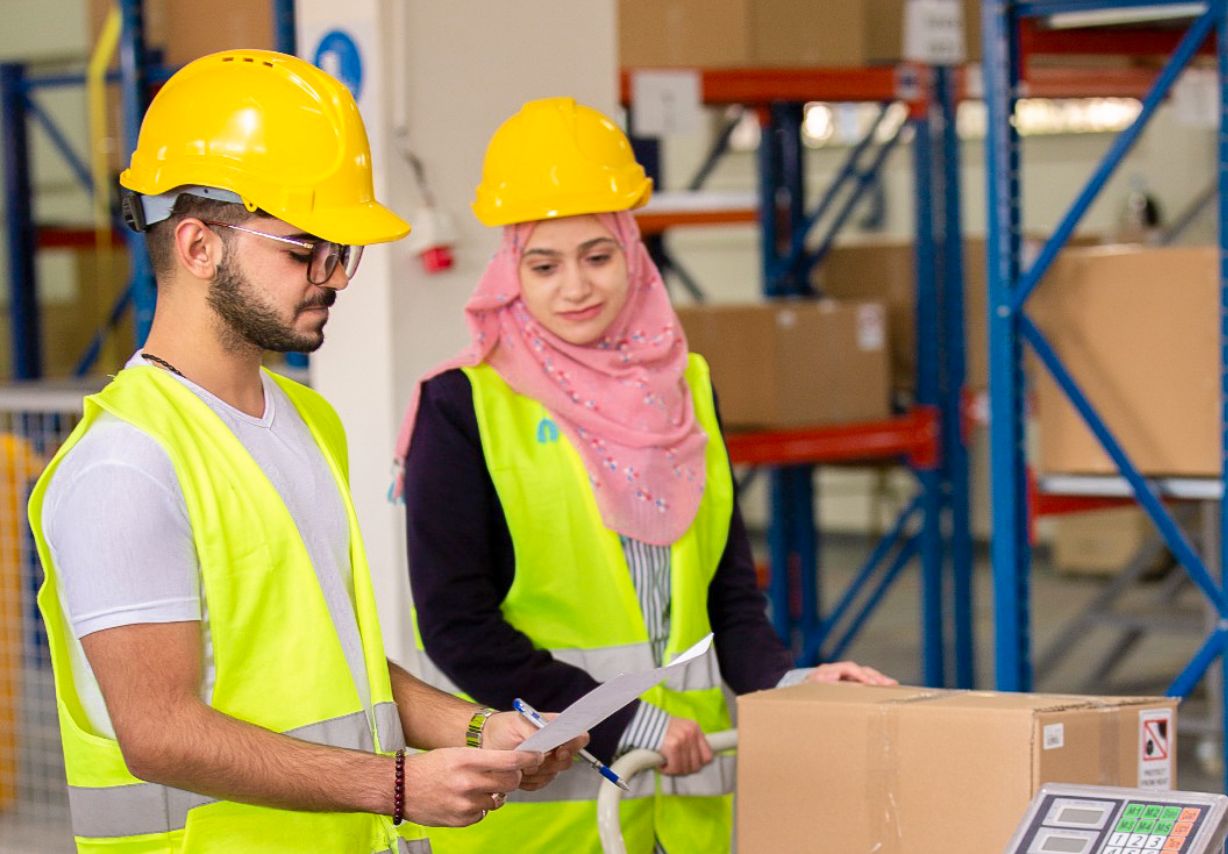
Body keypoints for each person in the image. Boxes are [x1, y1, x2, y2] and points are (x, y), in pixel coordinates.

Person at [28, 52, 584, 854]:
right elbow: (159, 733)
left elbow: (339, 667)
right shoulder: (126, 465)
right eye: (304, 250)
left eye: (341, 252)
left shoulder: (307, 419)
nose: (335, 278)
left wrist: (476, 726)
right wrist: (396, 784)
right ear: (196, 245)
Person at [393, 96, 896, 854]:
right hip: (546, 813)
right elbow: (458, 629)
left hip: (687, 808)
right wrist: (632, 722)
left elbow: (727, 603)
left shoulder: (686, 387)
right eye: (545, 264)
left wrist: (790, 691)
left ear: (631, 252)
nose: (576, 288)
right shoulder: (461, 406)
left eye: (598, 256)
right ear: (511, 270)